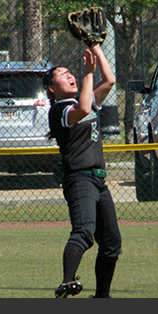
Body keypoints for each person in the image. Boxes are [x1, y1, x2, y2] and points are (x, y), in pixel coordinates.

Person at [43, 43, 122, 298]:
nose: (69, 75)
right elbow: (83, 110)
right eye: (61, 74)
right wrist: (88, 73)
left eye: (70, 72)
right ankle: (67, 281)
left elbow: (109, 81)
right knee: (84, 232)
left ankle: (102, 297)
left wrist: (96, 47)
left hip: (99, 181)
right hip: (79, 179)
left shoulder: (84, 98)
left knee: (111, 244)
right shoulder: (58, 110)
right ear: (52, 89)